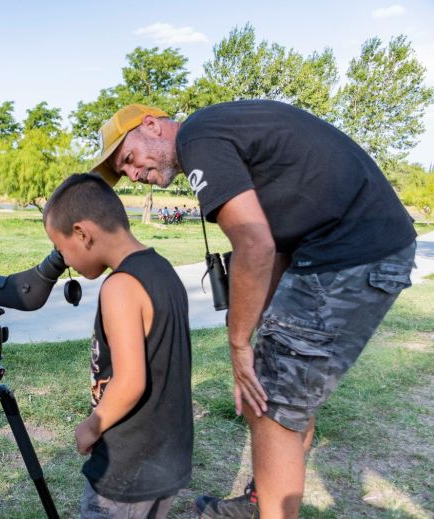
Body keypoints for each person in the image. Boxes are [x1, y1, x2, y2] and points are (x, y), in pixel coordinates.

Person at [91, 102, 417, 519]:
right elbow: (278, 247)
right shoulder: (225, 131)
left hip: (349, 253)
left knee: (275, 407)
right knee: (278, 386)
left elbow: (253, 243)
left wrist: (239, 344)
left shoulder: (197, 138)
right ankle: (261, 499)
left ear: (151, 126)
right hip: (356, 249)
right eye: (125, 173)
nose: (134, 175)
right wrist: (262, 331)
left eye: (130, 159)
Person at [43, 173, 193, 518]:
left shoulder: (121, 286)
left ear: (82, 233)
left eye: (61, 249)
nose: (64, 261)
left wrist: (91, 426)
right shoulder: (162, 269)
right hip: (165, 460)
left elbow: (129, 381)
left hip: (126, 467)